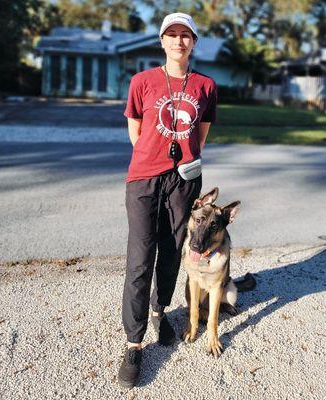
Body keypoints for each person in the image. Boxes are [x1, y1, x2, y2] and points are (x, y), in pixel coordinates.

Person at [118, 12, 217, 388]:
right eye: (172, 34)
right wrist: (154, 161)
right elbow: (135, 131)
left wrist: (180, 167)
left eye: (185, 35)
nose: (178, 41)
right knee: (140, 255)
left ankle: (161, 311)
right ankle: (133, 342)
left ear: (193, 42)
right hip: (143, 179)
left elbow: (200, 135)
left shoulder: (205, 86)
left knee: (174, 248)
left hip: (184, 181)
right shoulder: (142, 81)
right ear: (162, 41)